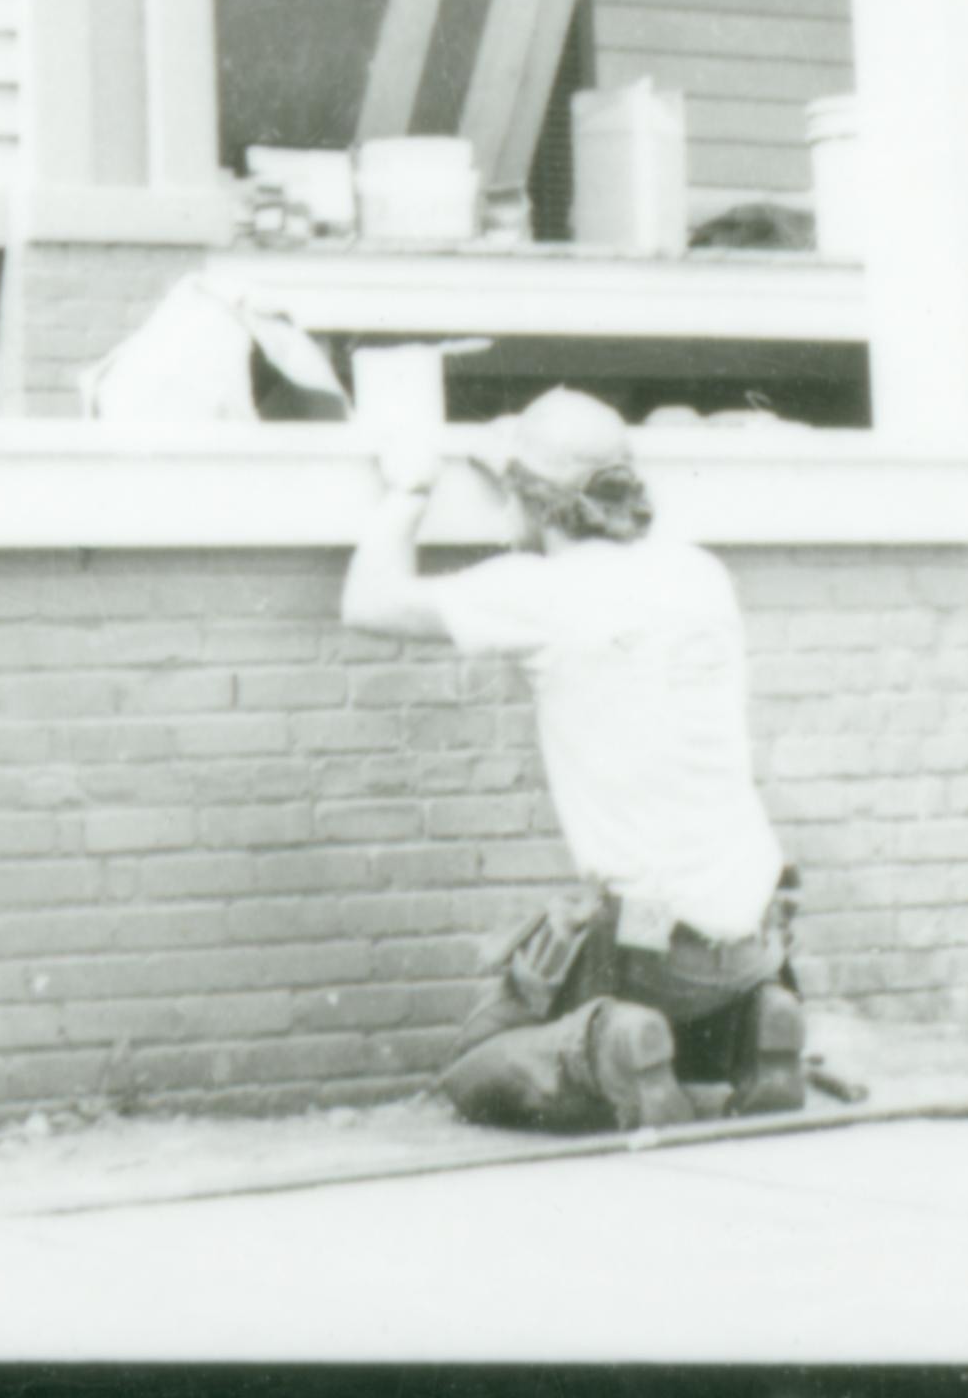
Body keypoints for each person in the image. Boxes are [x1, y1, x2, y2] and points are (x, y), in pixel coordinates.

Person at [342, 387, 809, 1132]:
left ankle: (603, 1045)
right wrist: (531, 477)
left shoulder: (535, 593)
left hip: (649, 940)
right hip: (756, 931)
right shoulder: (700, 575)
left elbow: (368, 602)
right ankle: (763, 1022)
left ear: (530, 502)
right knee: (689, 1030)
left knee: (478, 1064)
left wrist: (411, 486)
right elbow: (593, 536)